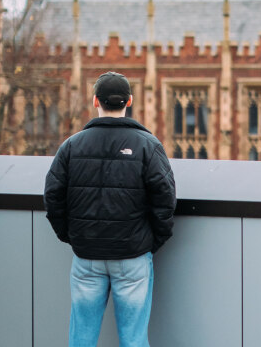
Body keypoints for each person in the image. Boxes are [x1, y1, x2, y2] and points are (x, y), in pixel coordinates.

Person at [45, 71, 177, 347]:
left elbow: (53, 196)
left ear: (95, 101)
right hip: (133, 255)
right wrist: (152, 241)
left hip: (86, 256)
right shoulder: (148, 146)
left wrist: (71, 236)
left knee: (81, 337)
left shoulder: (71, 146)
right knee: (134, 339)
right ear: (128, 102)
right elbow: (165, 199)